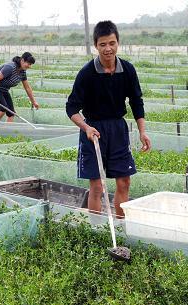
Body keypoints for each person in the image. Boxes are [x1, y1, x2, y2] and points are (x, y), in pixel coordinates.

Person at [66, 20, 151, 218]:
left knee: (124, 181)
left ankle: (121, 227)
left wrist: (142, 131)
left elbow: (136, 101)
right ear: (96, 46)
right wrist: (85, 127)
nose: (108, 48)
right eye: (103, 44)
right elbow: (71, 107)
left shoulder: (128, 70)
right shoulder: (86, 74)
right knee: (97, 185)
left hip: (118, 129)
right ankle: (95, 229)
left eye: (112, 43)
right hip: (93, 131)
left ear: (118, 43)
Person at [0, 52, 39, 122]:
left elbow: (27, 87)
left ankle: (8, 131)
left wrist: (34, 102)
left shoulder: (22, 72)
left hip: (4, 90)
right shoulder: (10, 67)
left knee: (11, 113)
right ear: (22, 60)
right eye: (28, 63)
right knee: (3, 109)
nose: (29, 66)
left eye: (30, 64)